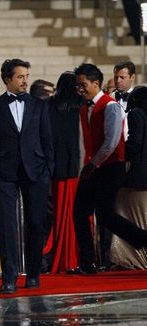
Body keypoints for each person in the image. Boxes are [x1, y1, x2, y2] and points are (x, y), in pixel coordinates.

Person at [0, 58, 54, 294]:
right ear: (7, 79)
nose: (25, 81)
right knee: (7, 225)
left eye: (26, 76)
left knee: (35, 223)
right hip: (4, 173)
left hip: (36, 171)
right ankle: (9, 276)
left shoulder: (39, 105)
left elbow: (47, 140)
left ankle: (33, 273)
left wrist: (48, 169)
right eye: (20, 77)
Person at [73, 63, 147, 274]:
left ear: (96, 83)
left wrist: (92, 164)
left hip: (109, 168)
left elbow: (112, 141)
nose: (80, 89)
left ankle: (142, 239)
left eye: (83, 84)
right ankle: (88, 263)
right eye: (78, 85)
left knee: (106, 216)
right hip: (93, 167)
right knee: (80, 213)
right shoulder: (83, 108)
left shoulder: (110, 106)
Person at [43, 71, 84, 273]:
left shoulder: (49, 105)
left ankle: (58, 257)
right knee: (77, 215)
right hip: (77, 169)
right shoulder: (81, 104)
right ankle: (75, 257)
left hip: (57, 170)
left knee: (60, 216)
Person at [110, 86, 147, 269]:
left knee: (124, 213)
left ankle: (130, 258)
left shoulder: (136, 114)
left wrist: (121, 152)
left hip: (138, 175)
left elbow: (135, 142)